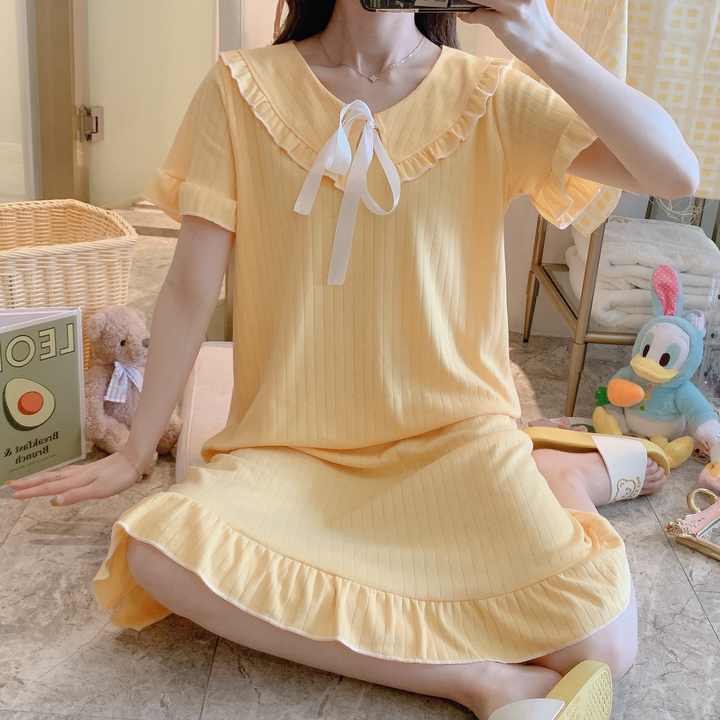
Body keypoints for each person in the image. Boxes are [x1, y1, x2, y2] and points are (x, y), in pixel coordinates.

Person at [7, 1, 698, 718]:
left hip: (455, 443)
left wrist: (538, 36)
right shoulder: (241, 87)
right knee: (157, 554)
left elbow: (673, 172)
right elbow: (189, 286)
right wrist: (135, 449)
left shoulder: (488, 94)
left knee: (601, 648)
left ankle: (559, 474)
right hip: (290, 451)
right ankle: (478, 680)